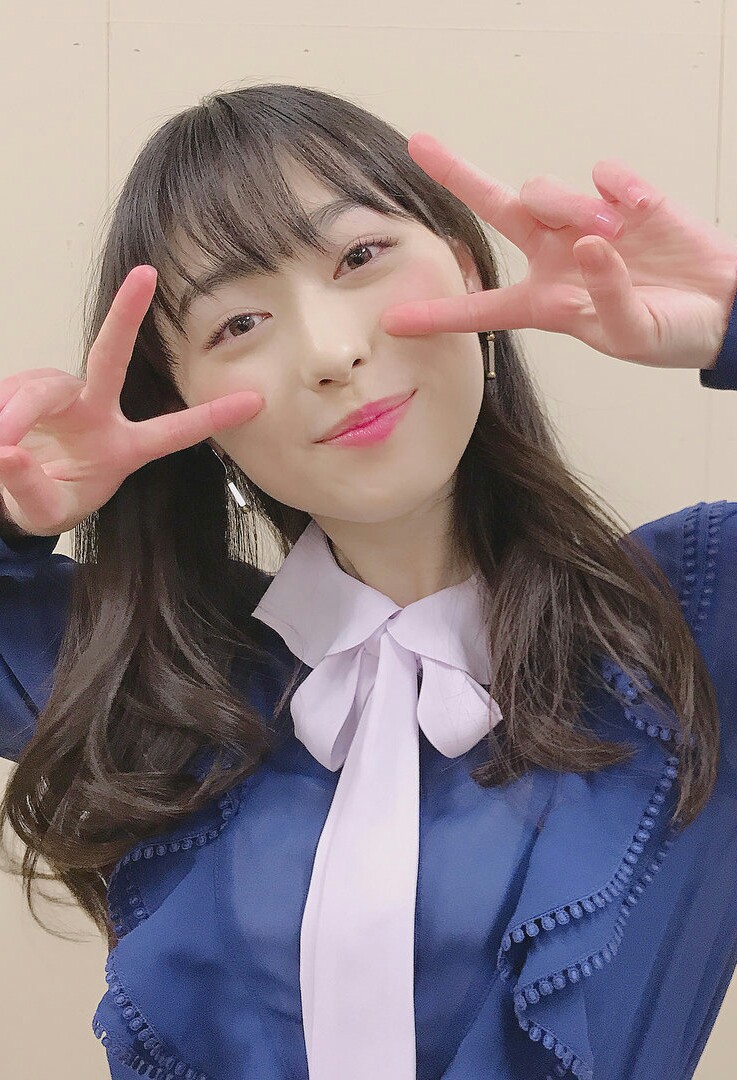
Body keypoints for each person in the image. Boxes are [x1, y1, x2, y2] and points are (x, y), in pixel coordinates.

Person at [0, 82, 735, 1080]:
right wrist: (15, 510)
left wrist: (727, 319)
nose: (332, 352)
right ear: (178, 406)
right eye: (237, 323)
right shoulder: (162, 680)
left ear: (466, 263)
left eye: (357, 258)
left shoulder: (689, 616)